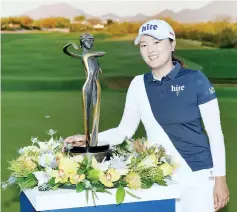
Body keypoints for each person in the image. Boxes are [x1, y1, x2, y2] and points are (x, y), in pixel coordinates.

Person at [63, 19, 229, 212]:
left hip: (198, 176)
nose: (151, 50)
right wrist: (90, 139)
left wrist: (220, 180)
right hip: (160, 177)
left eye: (157, 42)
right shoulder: (138, 84)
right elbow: (124, 131)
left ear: (172, 43)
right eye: (144, 45)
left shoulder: (196, 80)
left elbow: (215, 133)